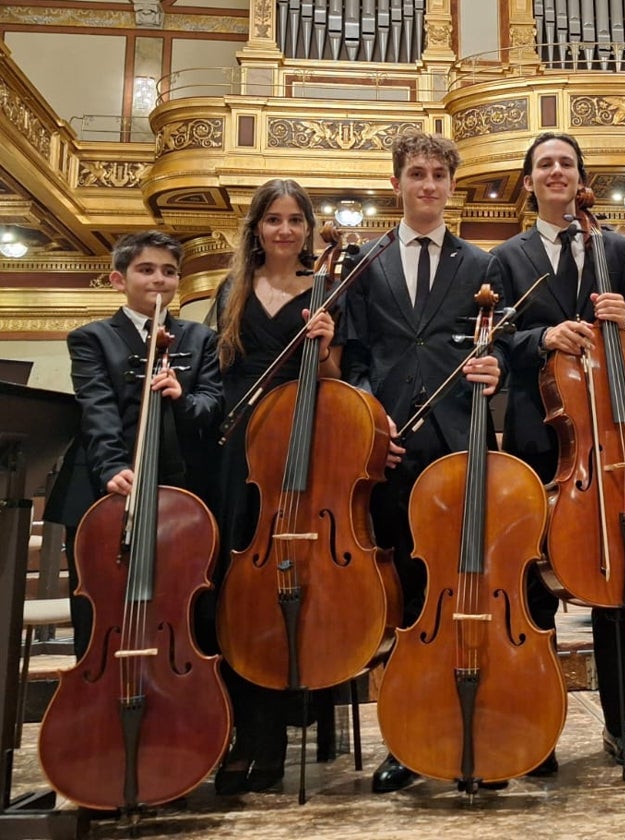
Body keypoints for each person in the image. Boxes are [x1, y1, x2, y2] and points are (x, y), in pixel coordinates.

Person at [340, 131, 504, 792]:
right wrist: (372, 423)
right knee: (409, 596)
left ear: (451, 185)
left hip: (459, 439)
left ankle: (484, 725)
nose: (428, 184)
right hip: (392, 447)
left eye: (439, 174)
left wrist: (495, 371)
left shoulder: (479, 265)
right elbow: (354, 359)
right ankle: (407, 739)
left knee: (469, 581)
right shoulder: (367, 260)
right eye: (417, 173)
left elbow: (502, 353)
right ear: (397, 184)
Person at [491, 131, 625, 770]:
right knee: (533, 585)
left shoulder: (617, 246)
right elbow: (497, 342)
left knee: (617, 583)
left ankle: (619, 724)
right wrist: (540, 336)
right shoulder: (505, 257)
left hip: (609, 439)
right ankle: (540, 730)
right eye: (544, 164)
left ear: (580, 177)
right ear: (528, 182)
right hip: (541, 432)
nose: (556, 171)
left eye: (566, 162)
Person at [204, 178, 341, 795]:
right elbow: (218, 372)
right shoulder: (231, 292)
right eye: (273, 219)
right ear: (255, 228)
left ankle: (281, 735)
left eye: (294, 220)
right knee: (240, 587)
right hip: (240, 449)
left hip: (302, 451)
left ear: (308, 230)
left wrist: (326, 345)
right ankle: (245, 732)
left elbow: (341, 377)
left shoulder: (326, 290)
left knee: (297, 583)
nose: (284, 230)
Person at [44, 231, 222, 663]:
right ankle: (97, 701)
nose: (159, 280)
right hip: (106, 486)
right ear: (118, 279)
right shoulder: (92, 338)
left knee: (184, 601)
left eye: (169, 271)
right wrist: (111, 467)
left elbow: (212, 406)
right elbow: (96, 406)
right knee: (100, 604)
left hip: (182, 489)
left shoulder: (200, 339)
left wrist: (183, 396)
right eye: (146, 270)